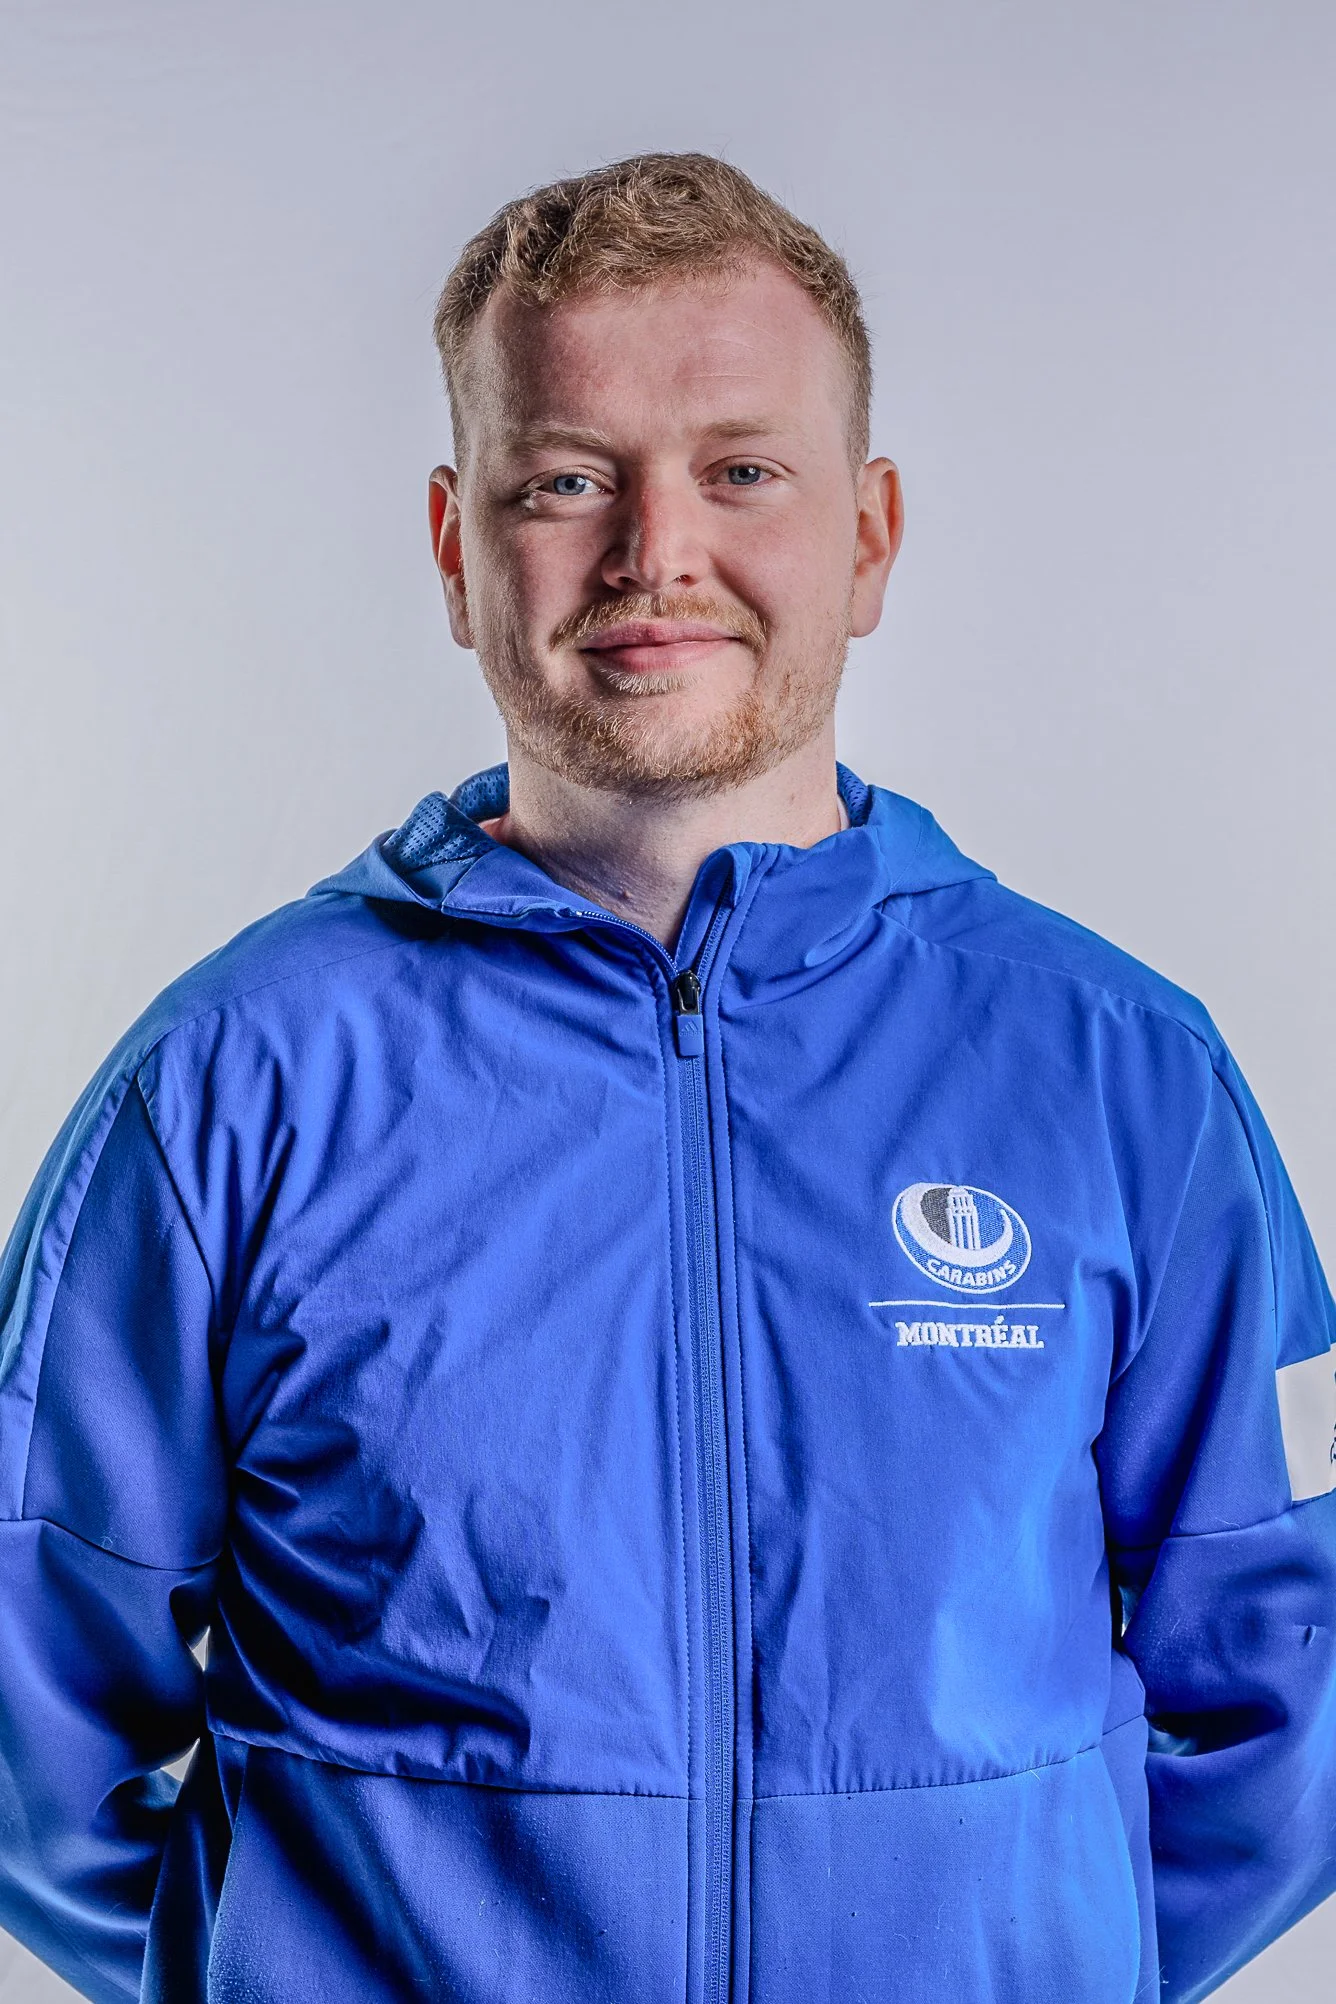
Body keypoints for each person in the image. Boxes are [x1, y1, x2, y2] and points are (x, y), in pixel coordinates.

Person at [0, 151, 1332, 2004]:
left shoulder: (1122, 1076)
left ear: (867, 536)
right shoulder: (233, 1084)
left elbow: (1295, 1675)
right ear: (458, 547)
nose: (654, 555)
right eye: (565, 481)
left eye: (740, 469)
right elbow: (22, 1704)